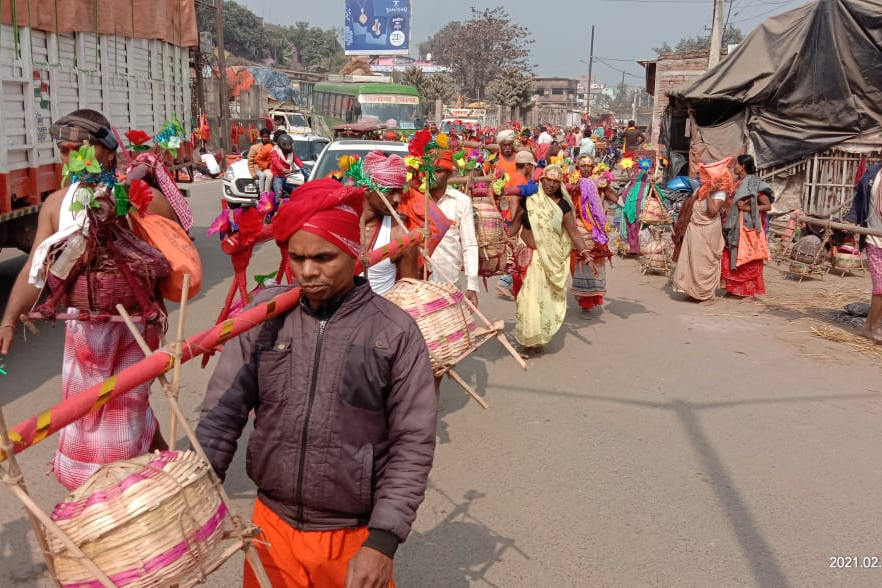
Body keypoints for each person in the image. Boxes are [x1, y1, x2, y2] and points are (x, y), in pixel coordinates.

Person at [196, 178, 436, 587]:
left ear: (353, 251)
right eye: (298, 257)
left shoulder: (394, 332)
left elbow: (413, 443)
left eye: (323, 257)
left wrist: (382, 543)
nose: (307, 272)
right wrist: (192, 497)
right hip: (271, 528)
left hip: (352, 536)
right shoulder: (264, 318)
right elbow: (222, 415)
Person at [0, 109, 185, 490]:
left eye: (77, 149)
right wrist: (9, 319)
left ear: (104, 150)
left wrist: (132, 210)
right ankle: (156, 476)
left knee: (124, 415)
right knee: (86, 418)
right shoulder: (56, 204)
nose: (69, 158)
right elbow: (36, 268)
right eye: (64, 151)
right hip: (83, 333)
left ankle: (124, 498)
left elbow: (173, 244)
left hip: (132, 326)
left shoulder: (134, 194)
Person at [508, 165, 591, 353]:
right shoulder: (528, 201)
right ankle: (528, 337)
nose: (551, 185)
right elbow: (513, 228)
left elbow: (574, 233)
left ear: (559, 184)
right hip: (528, 258)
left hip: (550, 260)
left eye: (556, 181)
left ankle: (538, 339)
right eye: (548, 180)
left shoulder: (562, 205)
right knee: (526, 299)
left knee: (543, 300)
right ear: (541, 180)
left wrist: (586, 255)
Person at [672, 158, 733, 304]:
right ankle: (692, 291)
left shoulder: (720, 193)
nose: (701, 177)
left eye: (704, 175)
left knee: (705, 263)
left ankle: (706, 295)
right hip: (694, 229)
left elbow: (712, 212)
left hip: (708, 232)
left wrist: (708, 194)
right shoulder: (700, 189)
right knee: (692, 261)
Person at [360, 150, 420, 295]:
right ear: (368, 188)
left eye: (400, 191)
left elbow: (411, 298)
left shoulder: (400, 236)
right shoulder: (337, 224)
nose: (398, 199)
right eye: (391, 192)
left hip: (379, 316)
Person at [427, 151, 480, 307]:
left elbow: (469, 244)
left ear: (449, 174)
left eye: (438, 171)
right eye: (428, 171)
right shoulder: (415, 199)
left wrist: (472, 284)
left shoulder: (461, 201)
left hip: (449, 283)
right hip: (419, 285)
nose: (432, 175)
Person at [721, 154, 774, 298]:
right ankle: (733, 289)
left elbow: (767, 205)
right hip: (733, 226)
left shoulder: (753, 183)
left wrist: (749, 208)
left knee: (746, 257)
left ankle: (746, 291)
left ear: (743, 166)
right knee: (732, 254)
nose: (734, 167)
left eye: (736, 164)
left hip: (746, 226)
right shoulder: (737, 182)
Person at [567, 156, 613, 314]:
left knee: (597, 263)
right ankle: (583, 300)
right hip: (578, 229)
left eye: (589, 166)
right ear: (577, 167)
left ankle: (593, 297)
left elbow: (615, 197)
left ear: (594, 167)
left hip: (597, 231)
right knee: (579, 262)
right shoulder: (573, 183)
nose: (586, 168)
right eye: (583, 165)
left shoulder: (599, 183)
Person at [844, 161, 882, 343]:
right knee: (881, 286)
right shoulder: (873, 172)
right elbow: (859, 198)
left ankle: (870, 324)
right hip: (874, 238)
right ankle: (871, 328)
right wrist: (851, 219)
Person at [496, 150, 538, 300]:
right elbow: (515, 201)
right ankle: (504, 282)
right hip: (514, 220)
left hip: (510, 218)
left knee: (516, 256)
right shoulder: (519, 178)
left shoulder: (514, 176)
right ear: (527, 166)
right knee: (518, 256)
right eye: (531, 166)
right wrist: (517, 224)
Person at [270, 134, 305, 199]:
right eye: (288, 145)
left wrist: (304, 167)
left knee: (296, 190)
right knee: (278, 193)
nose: (290, 147)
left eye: (291, 145)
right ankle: (278, 208)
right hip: (278, 176)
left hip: (288, 176)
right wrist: (283, 169)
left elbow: (296, 160)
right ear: (282, 145)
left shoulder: (291, 152)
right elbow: (276, 163)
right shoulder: (275, 152)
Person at [247, 128, 273, 193]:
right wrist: (252, 173)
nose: (265, 138)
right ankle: (262, 194)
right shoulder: (254, 148)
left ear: (269, 137)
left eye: (267, 137)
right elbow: (250, 162)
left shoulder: (272, 146)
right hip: (258, 169)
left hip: (268, 169)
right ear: (260, 137)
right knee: (262, 175)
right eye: (263, 137)